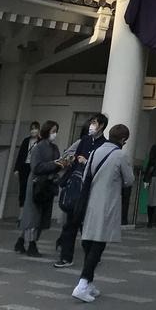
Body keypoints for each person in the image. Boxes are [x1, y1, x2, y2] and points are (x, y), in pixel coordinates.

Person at [72, 123, 133, 304]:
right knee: (98, 245)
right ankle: (82, 284)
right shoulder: (120, 155)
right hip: (108, 205)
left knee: (90, 243)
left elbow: (85, 177)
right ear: (123, 140)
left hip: (90, 203)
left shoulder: (96, 152)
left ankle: (89, 283)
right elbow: (129, 180)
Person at [53, 114, 108, 268]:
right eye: (91, 122)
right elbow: (73, 158)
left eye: (95, 123)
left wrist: (87, 162)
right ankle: (66, 257)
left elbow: (101, 167)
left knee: (87, 226)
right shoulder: (84, 141)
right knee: (70, 224)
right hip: (76, 187)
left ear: (102, 125)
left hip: (90, 190)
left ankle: (92, 256)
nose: (92, 125)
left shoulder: (104, 145)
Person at [16, 119, 63, 255]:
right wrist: (54, 164)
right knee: (33, 215)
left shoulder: (54, 148)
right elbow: (36, 167)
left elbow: (56, 164)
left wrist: (61, 164)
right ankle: (31, 244)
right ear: (47, 131)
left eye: (56, 131)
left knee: (40, 216)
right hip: (37, 184)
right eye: (53, 131)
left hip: (47, 185)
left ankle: (21, 241)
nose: (55, 134)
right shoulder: (38, 147)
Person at [13, 121, 40, 211]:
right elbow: (20, 155)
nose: (33, 131)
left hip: (34, 167)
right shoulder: (26, 141)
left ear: (39, 130)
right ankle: (21, 211)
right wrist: (16, 168)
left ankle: (30, 211)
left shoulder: (41, 142)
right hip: (24, 166)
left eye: (35, 129)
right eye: (32, 129)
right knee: (23, 188)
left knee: (33, 189)